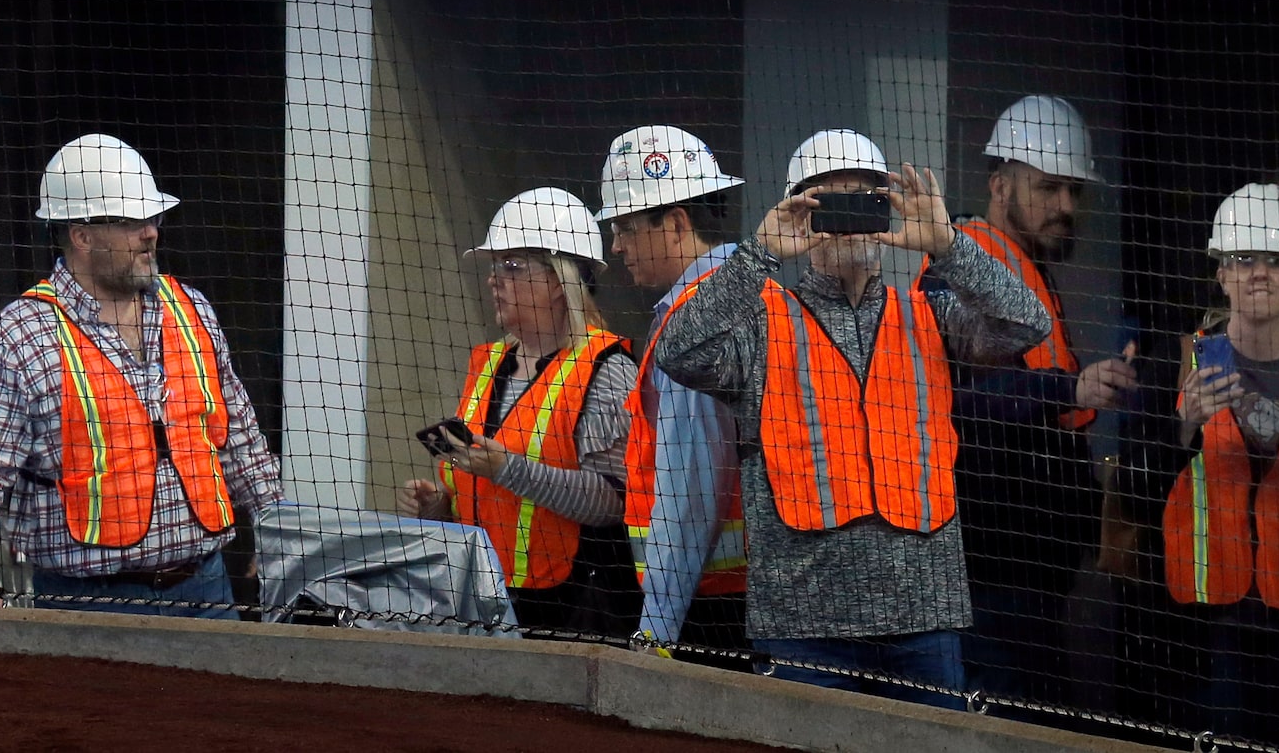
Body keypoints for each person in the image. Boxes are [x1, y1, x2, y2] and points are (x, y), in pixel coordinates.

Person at [651, 129, 1049, 709]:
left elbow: (1027, 326)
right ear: (800, 216)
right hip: (804, 631)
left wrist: (948, 246)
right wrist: (760, 253)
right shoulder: (764, 324)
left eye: (865, 200)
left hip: (924, 621)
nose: (848, 218)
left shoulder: (929, 315)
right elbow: (678, 351)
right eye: (827, 202)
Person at [0, 134, 278, 618]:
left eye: (153, 218)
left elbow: (240, 437)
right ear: (83, 236)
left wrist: (279, 534)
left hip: (207, 589)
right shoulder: (16, 337)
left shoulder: (191, 310)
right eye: (134, 221)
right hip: (90, 604)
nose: (151, 233)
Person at [1127, 182, 1279, 749]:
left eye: (1278, 261)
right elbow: (1131, 485)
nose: (1259, 273)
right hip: (1201, 629)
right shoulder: (1181, 363)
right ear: (1221, 273)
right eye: (1245, 258)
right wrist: (1183, 427)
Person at [949, 96, 1139, 709]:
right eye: (1049, 188)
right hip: (994, 571)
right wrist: (1070, 389)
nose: (1065, 206)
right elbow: (965, 401)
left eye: (1074, 192)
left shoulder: (1027, 269)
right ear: (1000, 185)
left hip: (1034, 571)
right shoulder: (965, 268)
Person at [396, 186, 640, 637]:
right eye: (494, 267)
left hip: (573, 611)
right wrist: (440, 505)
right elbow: (484, 490)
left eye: (512, 266)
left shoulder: (606, 372)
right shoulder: (488, 364)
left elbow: (614, 502)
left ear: (559, 281)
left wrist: (506, 469)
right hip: (481, 597)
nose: (494, 280)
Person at [595, 124, 747, 658]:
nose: (616, 247)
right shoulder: (757, 294)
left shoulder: (697, 321)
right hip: (751, 596)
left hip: (711, 608)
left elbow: (691, 493)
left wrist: (656, 629)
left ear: (676, 222)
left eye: (626, 227)